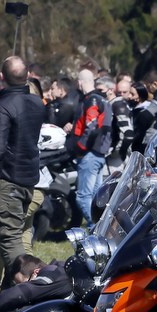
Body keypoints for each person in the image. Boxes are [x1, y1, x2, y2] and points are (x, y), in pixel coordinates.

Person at [0, 55, 44, 290]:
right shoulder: (37, 103)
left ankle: (33, 290)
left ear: (1, 77)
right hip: (27, 179)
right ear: (27, 76)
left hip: (6, 181)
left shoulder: (2, 107)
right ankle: (2, 291)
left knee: (11, 242)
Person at [67, 69, 112, 230]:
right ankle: (102, 229)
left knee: (82, 197)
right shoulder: (102, 100)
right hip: (99, 154)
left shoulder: (92, 100)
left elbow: (91, 126)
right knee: (95, 198)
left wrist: (79, 147)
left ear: (80, 82)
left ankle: (97, 229)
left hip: (90, 155)